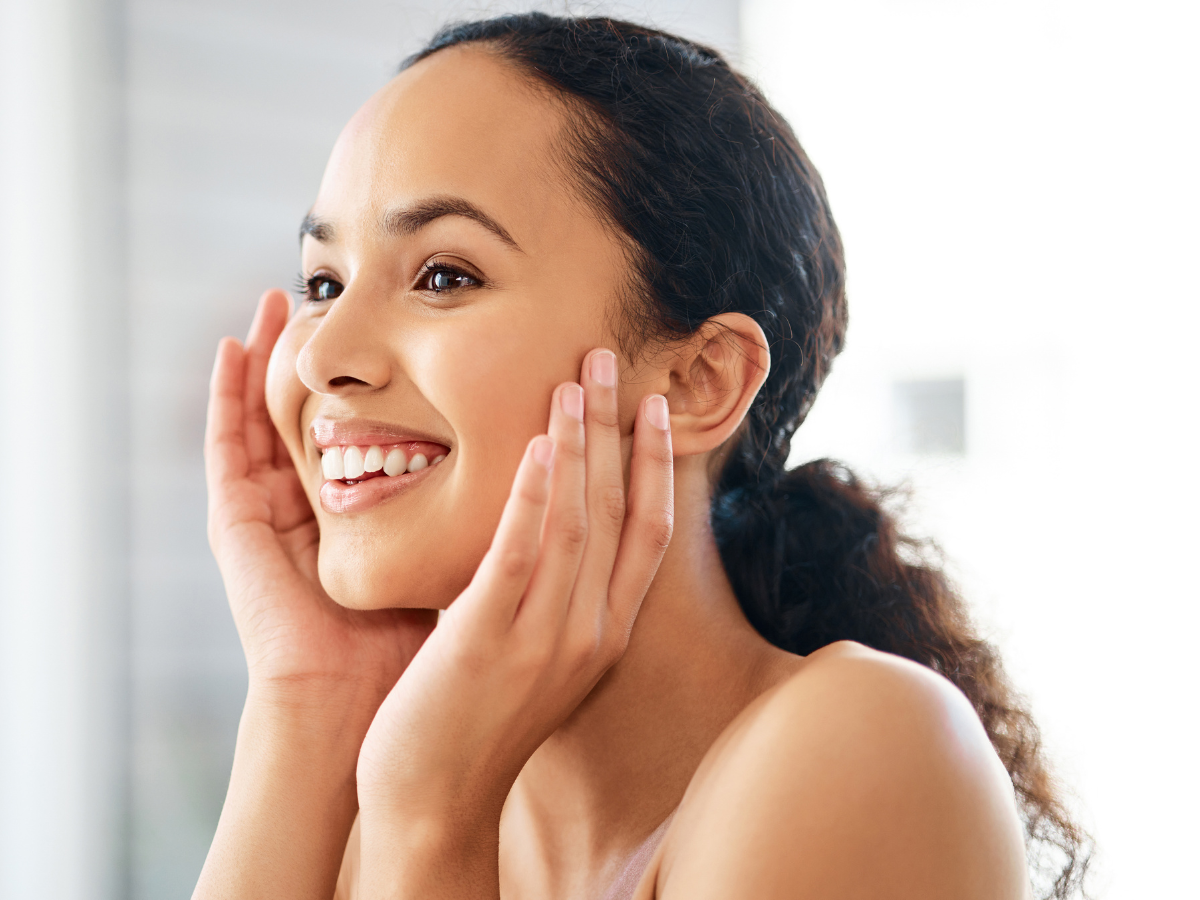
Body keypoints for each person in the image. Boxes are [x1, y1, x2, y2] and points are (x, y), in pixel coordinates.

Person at [195, 13, 1088, 900]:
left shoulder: (864, 744)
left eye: (444, 275)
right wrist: (306, 707)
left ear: (699, 380)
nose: (318, 356)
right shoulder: (378, 814)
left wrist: (430, 821)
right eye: (324, 282)